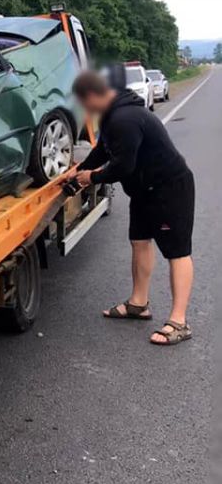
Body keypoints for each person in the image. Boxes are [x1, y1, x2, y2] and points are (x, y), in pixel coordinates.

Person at [68, 70, 195, 345]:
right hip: (142, 191)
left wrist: (92, 177)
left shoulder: (126, 119)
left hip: (168, 188)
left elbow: (124, 165)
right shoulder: (112, 116)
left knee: (177, 252)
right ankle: (138, 304)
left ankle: (179, 321)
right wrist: (79, 170)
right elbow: (102, 151)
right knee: (139, 242)